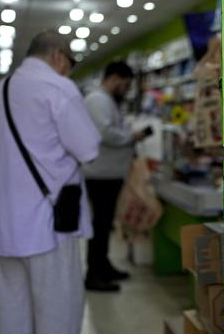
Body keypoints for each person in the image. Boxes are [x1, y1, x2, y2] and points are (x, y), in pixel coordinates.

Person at [0, 31, 101, 334]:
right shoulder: (58, 88)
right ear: (59, 56)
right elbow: (89, 149)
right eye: (70, 62)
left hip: (2, 225)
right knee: (58, 313)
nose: (69, 69)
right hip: (45, 225)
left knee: (13, 313)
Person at [83, 61, 149, 292]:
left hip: (108, 173)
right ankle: (93, 274)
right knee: (100, 225)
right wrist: (133, 137)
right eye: (125, 84)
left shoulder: (105, 100)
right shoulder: (98, 100)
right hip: (100, 174)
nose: (126, 89)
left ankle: (103, 266)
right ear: (113, 78)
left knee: (104, 224)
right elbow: (106, 133)